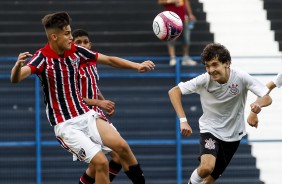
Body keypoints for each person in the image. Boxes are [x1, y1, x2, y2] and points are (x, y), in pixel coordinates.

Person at [11, 12, 155, 184]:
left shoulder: (76, 51)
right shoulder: (42, 58)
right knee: (100, 163)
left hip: (86, 115)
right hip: (66, 124)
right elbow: (16, 78)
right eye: (67, 34)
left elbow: (108, 60)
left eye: (70, 32)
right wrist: (17, 66)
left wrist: (137, 66)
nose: (71, 37)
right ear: (54, 37)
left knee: (122, 147)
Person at [168, 43, 272, 184]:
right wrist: (183, 120)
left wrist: (258, 104)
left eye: (215, 65)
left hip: (233, 136)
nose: (211, 70)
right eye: (207, 66)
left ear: (227, 63)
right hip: (210, 130)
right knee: (206, 168)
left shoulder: (241, 77)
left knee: (209, 181)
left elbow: (266, 97)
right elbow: (174, 92)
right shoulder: (204, 80)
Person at [72, 29, 122, 182]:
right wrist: (100, 102)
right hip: (82, 116)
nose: (83, 45)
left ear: (90, 44)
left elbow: (93, 86)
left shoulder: (92, 61)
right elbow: (74, 97)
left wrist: (104, 101)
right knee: (101, 162)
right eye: (78, 42)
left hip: (97, 113)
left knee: (118, 156)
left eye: (85, 42)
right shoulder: (71, 66)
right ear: (73, 45)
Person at [158, 0, 197, 66]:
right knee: (171, 38)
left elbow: (186, 1)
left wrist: (190, 14)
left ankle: (185, 58)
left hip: (183, 17)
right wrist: (172, 1)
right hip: (170, 17)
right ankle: (172, 58)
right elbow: (160, 1)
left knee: (186, 39)